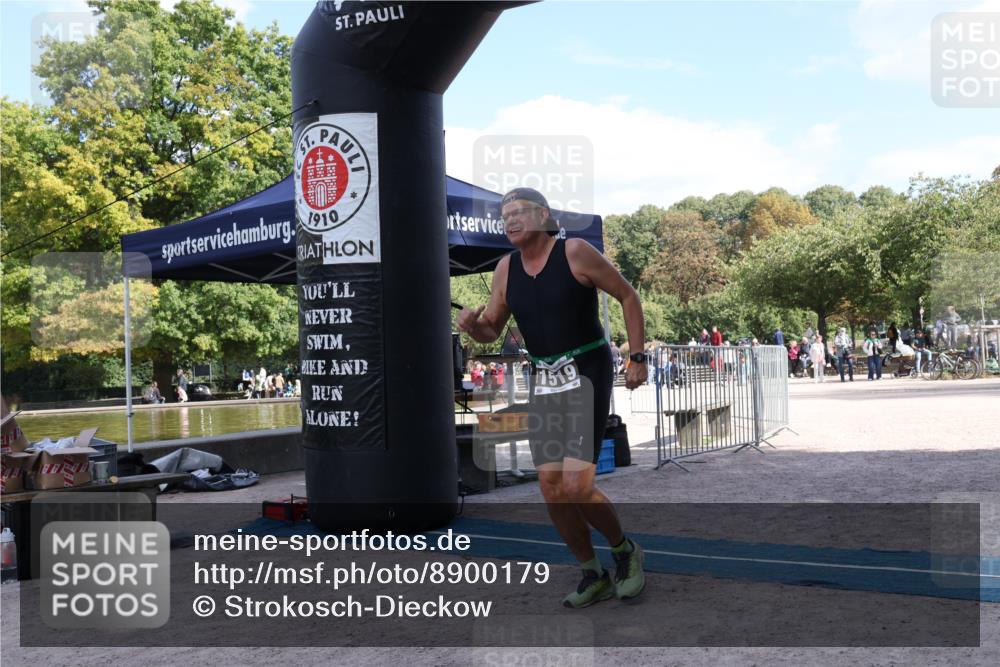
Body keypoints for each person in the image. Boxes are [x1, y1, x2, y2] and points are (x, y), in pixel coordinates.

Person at [456, 186, 647, 608]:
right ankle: (592, 572)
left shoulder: (574, 252)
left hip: (585, 370)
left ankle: (624, 551)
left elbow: (627, 295)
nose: (510, 221)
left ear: (543, 215)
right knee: (550, 485)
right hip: (545, 377)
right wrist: (473, 326)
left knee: (577, 485)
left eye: (519, 212)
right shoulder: (505, 269)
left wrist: (637, 357)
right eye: (504, 216)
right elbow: (492, 329)